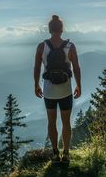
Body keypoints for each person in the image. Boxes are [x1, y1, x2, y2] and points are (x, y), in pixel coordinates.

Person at [34, 15, 81, 163]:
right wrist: (79, 85)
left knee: (51, 122)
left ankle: (55, 154)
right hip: (66, 90)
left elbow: (37, 67)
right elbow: (76, 67)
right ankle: (66, 153)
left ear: (49, 29)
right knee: (66, 122)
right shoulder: (70, 46)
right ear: (61, 29)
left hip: (49, 91)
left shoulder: (42, 46)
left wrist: (36, 84)